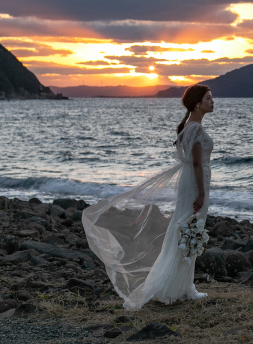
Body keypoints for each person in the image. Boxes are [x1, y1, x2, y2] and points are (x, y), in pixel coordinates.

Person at [82, 85, 215, 310]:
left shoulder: (189, 127)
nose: (213, 102)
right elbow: (196, 163)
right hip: (195, 184)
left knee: (186, 230)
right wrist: (201, 193)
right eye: (209, 98)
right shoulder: (195, 130)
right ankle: (176, 287)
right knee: (189, 230)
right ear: (197, 103)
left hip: (191, 182)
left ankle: (183, 286)